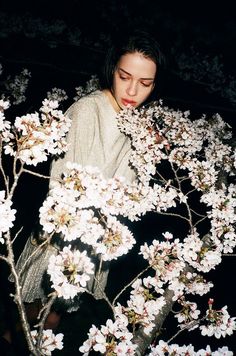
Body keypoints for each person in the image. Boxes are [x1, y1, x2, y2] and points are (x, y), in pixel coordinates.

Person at [7, 27, 166, 336]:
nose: (132, 92)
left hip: (96, 240)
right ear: (112, 71)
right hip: (63, 234)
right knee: (33, 314)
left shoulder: (138, 121)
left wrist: (148, 152)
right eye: (125, 77)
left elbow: (130, 192)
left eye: (144, 83)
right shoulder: (87, 110)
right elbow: (61, 185)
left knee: (55, 319)